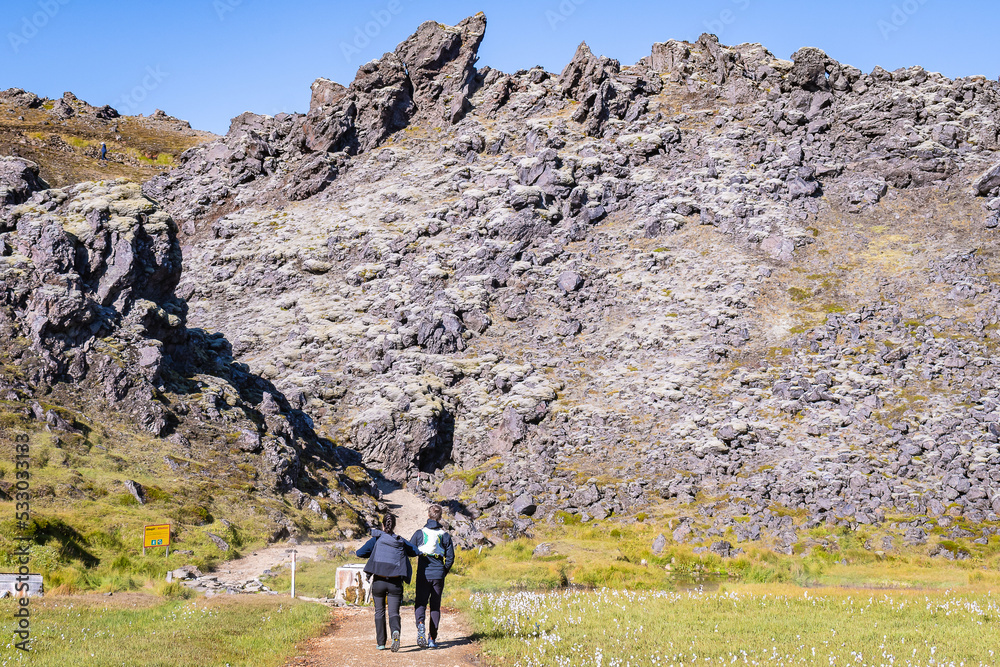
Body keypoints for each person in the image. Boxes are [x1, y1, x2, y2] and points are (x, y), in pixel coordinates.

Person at [356, 514, 417, 652]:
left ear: (383, 525)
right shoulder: (400, 540)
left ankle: (381, 643)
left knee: (379, 611)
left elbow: (359, 553)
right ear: (394, 526)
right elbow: (415, 551)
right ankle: (395, 631)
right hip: (395, 583)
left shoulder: (377, 539)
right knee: (394, 612)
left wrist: (373, 553)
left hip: (379, 582)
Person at [410, 505, 455, 649]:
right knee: (435, 606)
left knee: (421, 603)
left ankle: (420, 624)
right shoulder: (445, 535)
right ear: (440, 517)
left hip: (423, 573)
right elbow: (450, 557)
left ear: (428, 516)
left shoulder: (419, 533)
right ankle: (432, 639)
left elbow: (410, 550)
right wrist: (443, 571)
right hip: (438, 575)